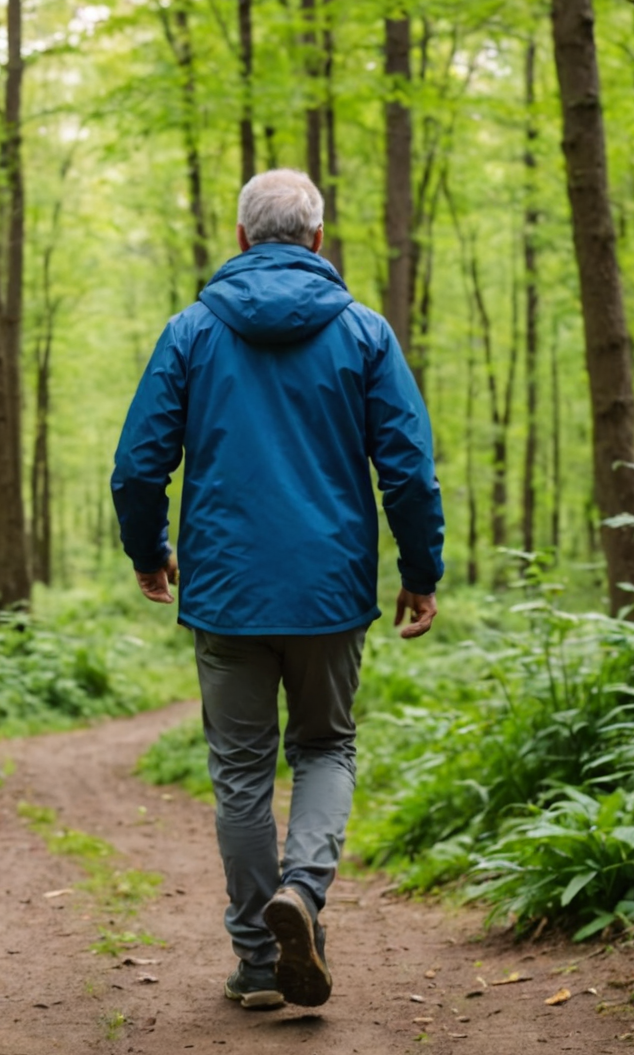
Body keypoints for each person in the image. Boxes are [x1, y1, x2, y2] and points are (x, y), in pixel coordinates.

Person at [109, 169, 445, 1010]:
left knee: (241, 772)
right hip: (331, 589)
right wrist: (419, 570)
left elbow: (137, 466)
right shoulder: (365, 334)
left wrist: (148, 550)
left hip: (225, 589)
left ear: (242, 237)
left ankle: (260, 960)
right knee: (327, 745)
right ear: (319, 240)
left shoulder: (191, 333)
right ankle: (304, 890)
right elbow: (407, 468)